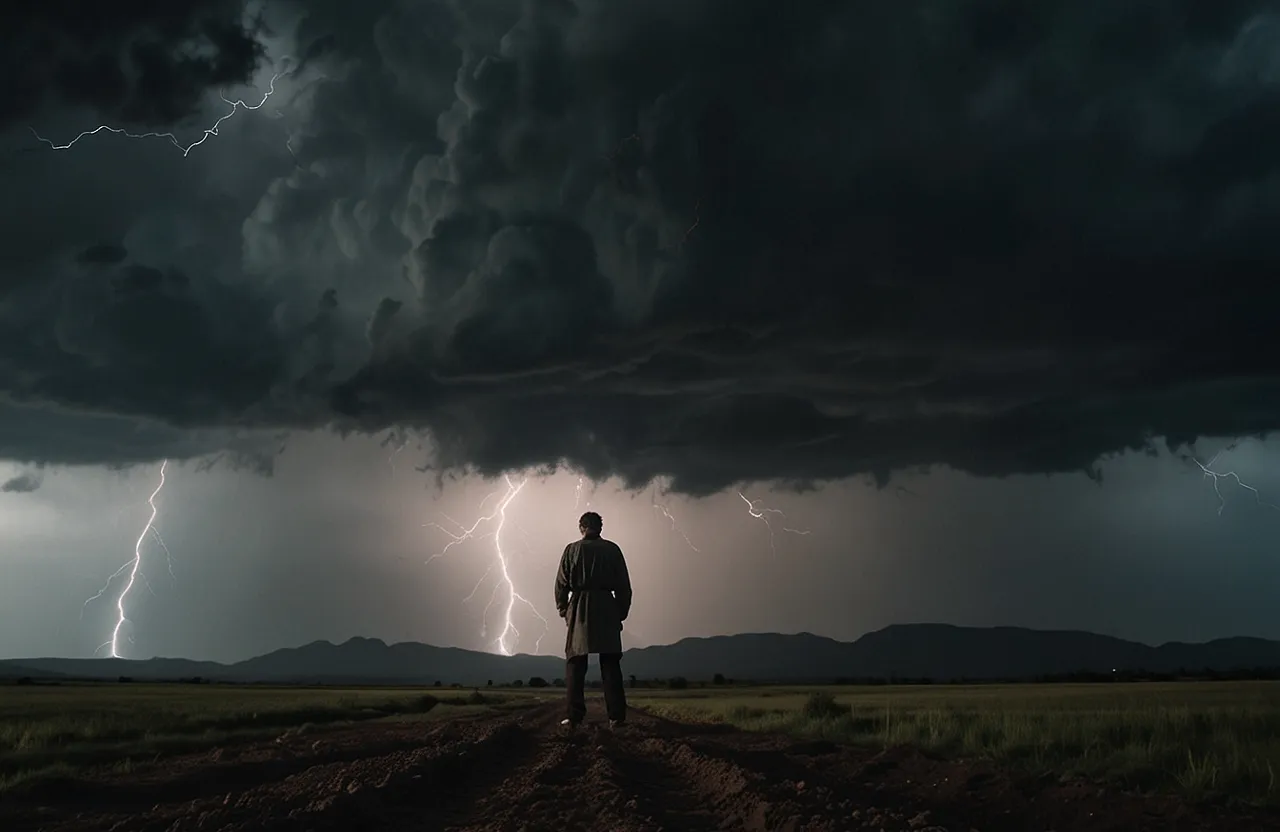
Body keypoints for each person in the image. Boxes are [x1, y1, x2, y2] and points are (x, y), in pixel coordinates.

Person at [554, 510, 632, 728]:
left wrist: (564, 610)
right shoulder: (613, 550)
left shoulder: (572, 550)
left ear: (581, 527)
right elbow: (624, 586)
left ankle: (574, 716)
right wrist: (620, 612)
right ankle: (616, 717)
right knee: (610, 663)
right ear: (600, 528)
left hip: (579, 607)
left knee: (576, 662)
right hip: (607, 606)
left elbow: (560, 584)